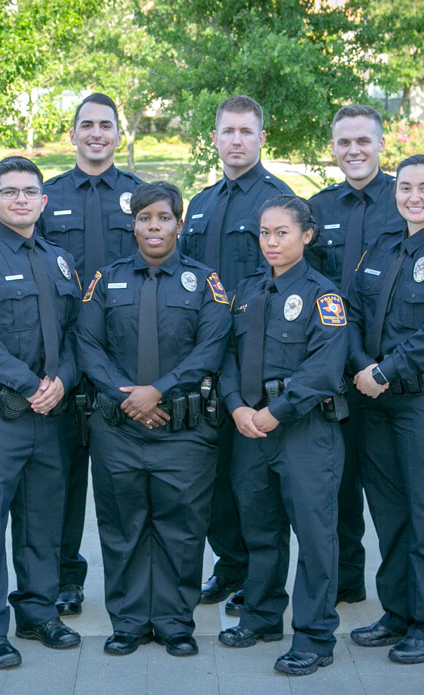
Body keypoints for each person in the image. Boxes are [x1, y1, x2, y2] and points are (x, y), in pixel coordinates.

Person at [76, 181, 230, 657]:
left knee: (181, 529)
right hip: (119, 428)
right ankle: (127, 622)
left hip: (183, 430)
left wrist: (157, 391)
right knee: (122, 528)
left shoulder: (206, 283)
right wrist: (130, 398)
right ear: (133, 224)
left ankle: (173, 622)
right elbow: (88, 344)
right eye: (145, 218)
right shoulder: (106, 280)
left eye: (163, 217)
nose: (154, 226)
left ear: (179, 224)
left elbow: (212, 347)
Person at [0, 156, 83, 669]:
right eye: (10, 192)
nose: (21, 199)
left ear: (44, 201)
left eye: (30, 191)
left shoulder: (59, 260)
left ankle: (38, 612)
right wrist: (31, 385)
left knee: (43, 523)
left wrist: (63, 382)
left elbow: (75, 334)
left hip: (50, 417)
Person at [346, 155, 424, 664]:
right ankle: (396, 613)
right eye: (405, 188)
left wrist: (382, 372)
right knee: (390, 514)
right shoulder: (380, 247)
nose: (414, 197)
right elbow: (352, 312)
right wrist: (362, 366)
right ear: (395, 193)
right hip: (376, 402)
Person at [217, 195, 347, 676]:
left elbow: (324, 369)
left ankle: (314, 637)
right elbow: (225, 354)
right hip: (249, 426)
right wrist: (235, 406)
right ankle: (263, 615)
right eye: (264, 233)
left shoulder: (323, 295)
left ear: (307, 236)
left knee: (315, 537)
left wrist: (276, 412)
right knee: (260, 529)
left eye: (282, 233)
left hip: (303, 430)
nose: (270, 242)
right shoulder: (247, 289)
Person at [180, 95, 294, 615]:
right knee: (215, 475)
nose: (237, 140)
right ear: (215, 138)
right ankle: (228, 566)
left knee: (255, 484)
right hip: (207, 356)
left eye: (247, 132)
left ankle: (258, 575)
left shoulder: (278, 200)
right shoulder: (201, 203)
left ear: (262, 138)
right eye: (228, 132)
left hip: (255, 360)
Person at [39, 93, 145, 617]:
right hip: (60, 352)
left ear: (118, 135)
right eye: (87, 125)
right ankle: (64, 577)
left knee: (122, 478)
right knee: (60, 474)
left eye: (106, 125)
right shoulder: (49, 195)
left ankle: (135, 581)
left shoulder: (138, 195)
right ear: (73, 134)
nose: (97, 133)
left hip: (124, 358)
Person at [307, 104, 405, 606]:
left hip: (387, 368)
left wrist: (377, 363)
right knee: (337, 487)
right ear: (333, 148)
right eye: (344, 142)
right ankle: (346, 582)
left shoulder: (404, 201)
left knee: (390, 493)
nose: (354, 150)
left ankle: (401, 592)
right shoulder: (318, 210)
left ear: (381, 144)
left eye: (363, 140)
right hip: (333, 365)